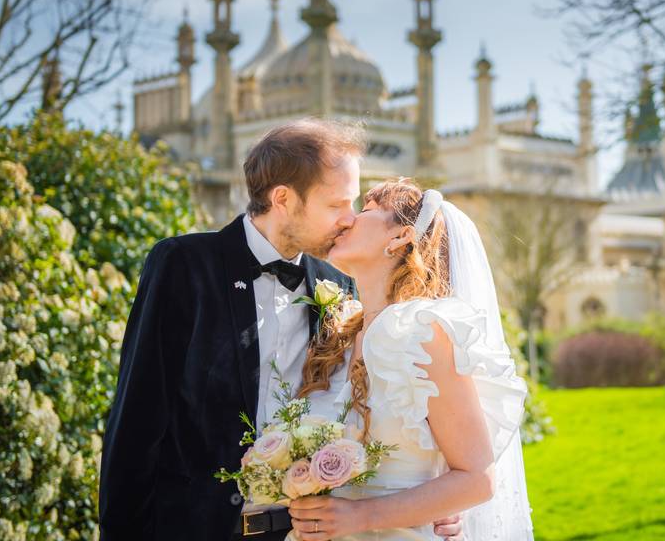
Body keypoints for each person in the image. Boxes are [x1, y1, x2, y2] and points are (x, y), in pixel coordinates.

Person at [98, 120, 463, 541]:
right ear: (284, 199)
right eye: (336, 205)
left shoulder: (339, 285)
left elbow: (379, 408)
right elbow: (136, 418)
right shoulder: (183, 265)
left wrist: (433, 504)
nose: (349, 220)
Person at [287, 178, 534, 541]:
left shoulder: (422, 333)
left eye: (366, 211)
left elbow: (476, 478)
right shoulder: (336, 338)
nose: (348, 219)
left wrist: (359, 516)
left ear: (400, 237)